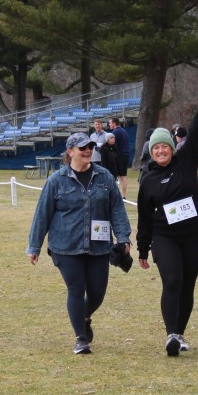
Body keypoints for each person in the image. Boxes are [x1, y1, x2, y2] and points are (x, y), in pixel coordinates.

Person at [28, 132, 132, 354]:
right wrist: (34, 246)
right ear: (70, 151)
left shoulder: (105, 177)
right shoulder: (56, 180)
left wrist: (123, 238)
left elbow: (117, 210)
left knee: (97, 292)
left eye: (90, 147)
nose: (87, 151)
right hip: (66, 246)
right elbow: (42, 214)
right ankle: (81, 338)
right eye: (82, 148)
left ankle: (84, 316)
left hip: (99, 245)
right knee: (76, 288)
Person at [137, 75, 198, 357]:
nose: (161, 150)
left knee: (187, 285)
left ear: (172, 148)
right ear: (152, 151)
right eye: (156, 147)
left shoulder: (186, 161)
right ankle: (171, 334)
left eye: (165, 146)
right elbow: (144, 217)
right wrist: (143, 248)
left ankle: (179, 334)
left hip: (194, 235)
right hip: (164, 236)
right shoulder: (148, 180)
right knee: (172, 281)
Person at [108, 117, 131, 197]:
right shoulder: (124, 131)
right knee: (123, 176)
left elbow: (113, 146)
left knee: (115, 176)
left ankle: (116, 196)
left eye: (110, 123)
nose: (109, 124)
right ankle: (123, 196)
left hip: (119, 156)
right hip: (126, 155)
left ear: (114, 123)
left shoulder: (115, 133)